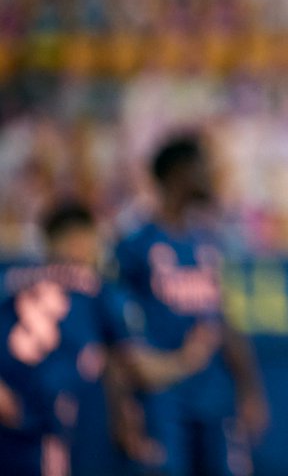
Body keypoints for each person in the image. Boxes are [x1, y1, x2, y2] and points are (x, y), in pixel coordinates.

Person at [0, 199, 219, 476]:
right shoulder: (96, 288)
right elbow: (139, 369)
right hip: (55, 418)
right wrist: (188, 359)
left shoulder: (10, 277)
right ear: (82, 240)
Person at [114, 134, 269, 476]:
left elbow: (223, 320)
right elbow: (117, 336)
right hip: (163, 398)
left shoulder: (206, 241)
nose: (211, 176)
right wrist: (124, 404)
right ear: (180, 174)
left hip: (214, 394)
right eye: (203, 167)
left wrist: (249, 388)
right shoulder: (134, 245)